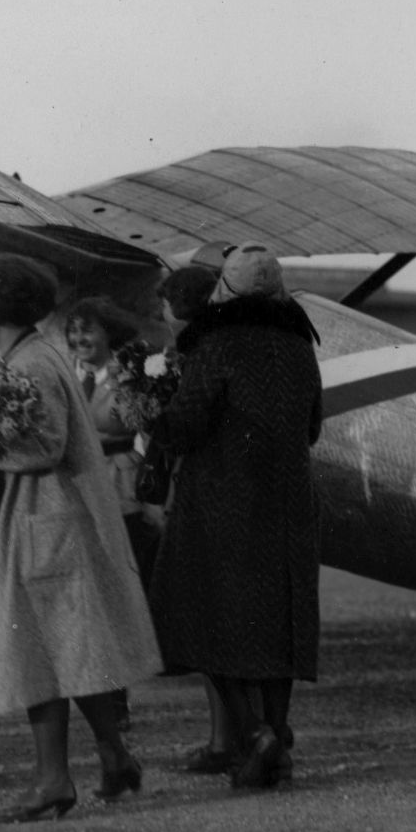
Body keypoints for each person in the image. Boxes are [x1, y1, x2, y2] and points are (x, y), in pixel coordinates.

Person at [0, 255, 161, 823]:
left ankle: (52, 780)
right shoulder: (38, 355)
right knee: (72, 646)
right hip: (52, 519)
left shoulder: (32, 365)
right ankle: (113, 754)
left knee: (40, 650)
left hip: (41, 520)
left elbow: (44, 446)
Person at [147, 242, 322, 790]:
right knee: (277, 624)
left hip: (221, 497)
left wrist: (154, 411)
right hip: (289, 500)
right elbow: (312, 426)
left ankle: (254, 736)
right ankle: (278, 741)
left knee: (204, 612)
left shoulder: (216, 343)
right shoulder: (300, 346)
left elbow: (187, 422)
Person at [151, 263, 237, 775]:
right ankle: (223, 738)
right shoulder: (209, 351)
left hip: (205, 501)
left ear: (181, 309)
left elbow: (182, 427)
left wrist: (152, 415)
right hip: (208, 497)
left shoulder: (199, 355)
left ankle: (229, 740)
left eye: (165, 306)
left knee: (210, 623)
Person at [64, 296, 159, 581]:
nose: (79, 338)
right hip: (76, 482)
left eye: (88, 330)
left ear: (109, 333)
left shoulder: (130, 374)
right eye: (74, 330)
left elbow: (150, 433)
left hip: (120, 484)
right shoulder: (65, 372)